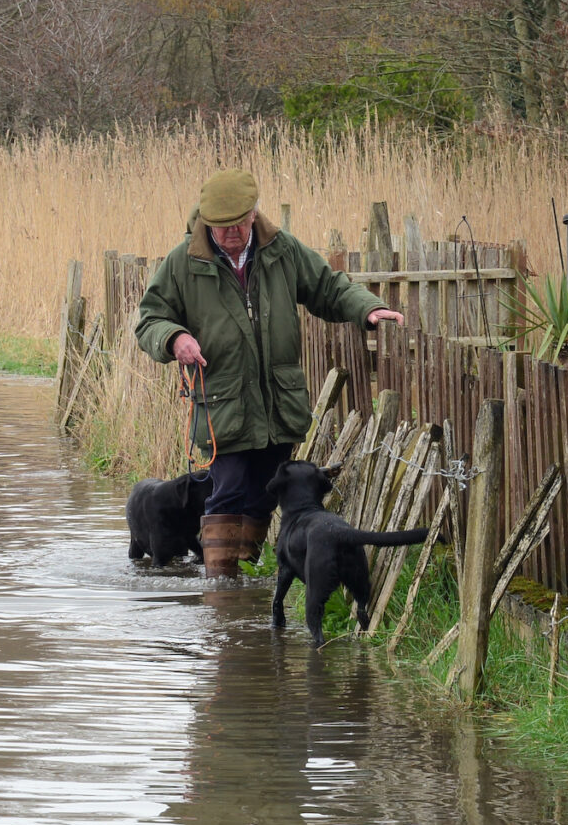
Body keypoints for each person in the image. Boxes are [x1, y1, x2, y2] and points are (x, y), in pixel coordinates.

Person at [136, 169, 403, 578]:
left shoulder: (283, 250)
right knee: (226, 490)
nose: (228, 234)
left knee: (264, 494)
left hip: (279, 403)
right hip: (222, 404)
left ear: (253, 214)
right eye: (218, 227)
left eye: (236, 225)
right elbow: (150, 319)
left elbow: (328, 288)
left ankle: (249, 581)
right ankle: (222, 595)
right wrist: (174, 339)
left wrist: (367, 308)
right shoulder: (182, 262)